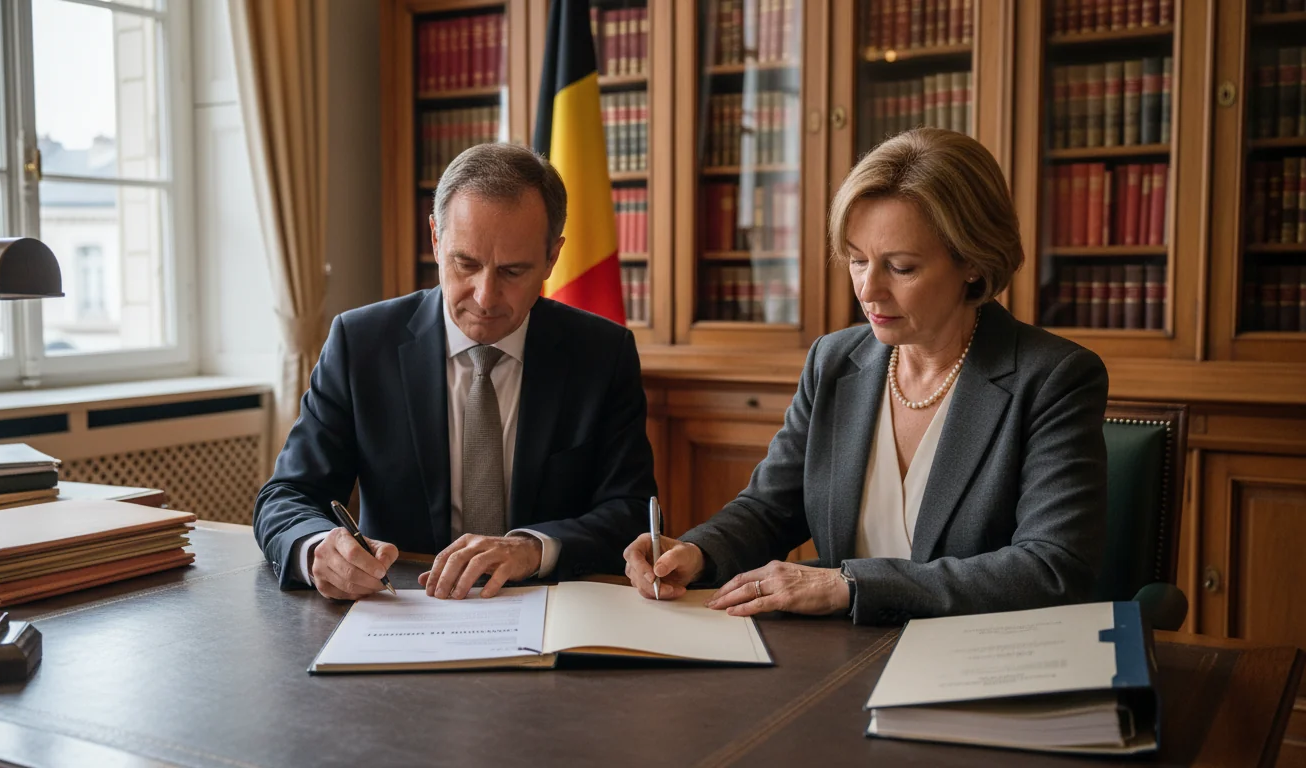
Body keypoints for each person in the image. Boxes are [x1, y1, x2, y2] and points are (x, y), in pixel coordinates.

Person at [624, 128, 1109, 624]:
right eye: (857, 260)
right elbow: (770, 508)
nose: (868, 290)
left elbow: (1052, 567)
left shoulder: (1053, 378)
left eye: (900, 267)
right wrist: (695, 552)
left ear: (973, 261)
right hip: (841, 656)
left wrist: (850, 584)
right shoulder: (833, 360)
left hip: (976, 663)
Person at [255, 142, 656, 601]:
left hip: (549, 605)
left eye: (512, 271)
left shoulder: (602, 353)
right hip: (401, 608)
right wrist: (316, 550)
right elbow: (286, 496)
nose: (485, 297)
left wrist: (532, 549)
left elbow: (630, 511)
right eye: (466, 263)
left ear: (551, 258)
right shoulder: (362, 344)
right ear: (435, 240)